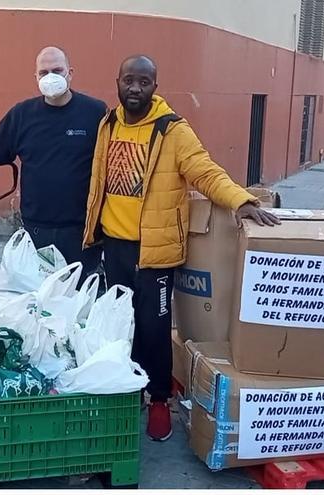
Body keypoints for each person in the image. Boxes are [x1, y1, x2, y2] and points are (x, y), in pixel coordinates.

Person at [83, 55, 280, 441]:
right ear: (118, 82)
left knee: (155, 330)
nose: (135, 88)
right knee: (118, 326)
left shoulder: (173, 131)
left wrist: (241, 201)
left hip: (154, 253)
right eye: (129, 81)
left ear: (155, 86)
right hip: (114, 246)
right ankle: (126, 393)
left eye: (143, 82)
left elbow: (204, 172)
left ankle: (159, 398)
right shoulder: (107, 124)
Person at [0, 46, 107, 279]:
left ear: (70, 73)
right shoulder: (23, 114)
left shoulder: (95, 112)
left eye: (57, 70)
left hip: (81, 231)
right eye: (44, 72)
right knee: (38, 301)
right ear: (35, 77)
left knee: (78, 302)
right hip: (37, 229)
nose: (51, 77)